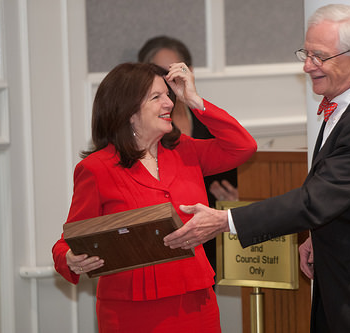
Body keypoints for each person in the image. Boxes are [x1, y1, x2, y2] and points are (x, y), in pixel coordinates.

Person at [164, 4, 350, 332]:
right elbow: (343, 193)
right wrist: (318, 235)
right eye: (307, 53)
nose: (308, 67)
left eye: (320, 57)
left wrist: (225, 220)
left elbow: (314, 200)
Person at [52, 62, 256, 332]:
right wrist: (68, 258)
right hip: (131, 312)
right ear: (129, 111)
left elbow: (243, 147)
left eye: (168, 95)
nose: (170, 103)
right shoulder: (96, 169)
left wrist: (194, 100)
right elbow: (70, 240)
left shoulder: (185, 150)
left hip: (196, 303)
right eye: (156, 97)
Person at [138, 36, 238, 272]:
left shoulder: (205, 122)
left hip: (208, 236)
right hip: (157, 243)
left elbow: (241, 151)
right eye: (162, 71)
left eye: (177, 70)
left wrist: (236, 202)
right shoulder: (145, 128)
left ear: (190, 72)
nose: (170, 78)